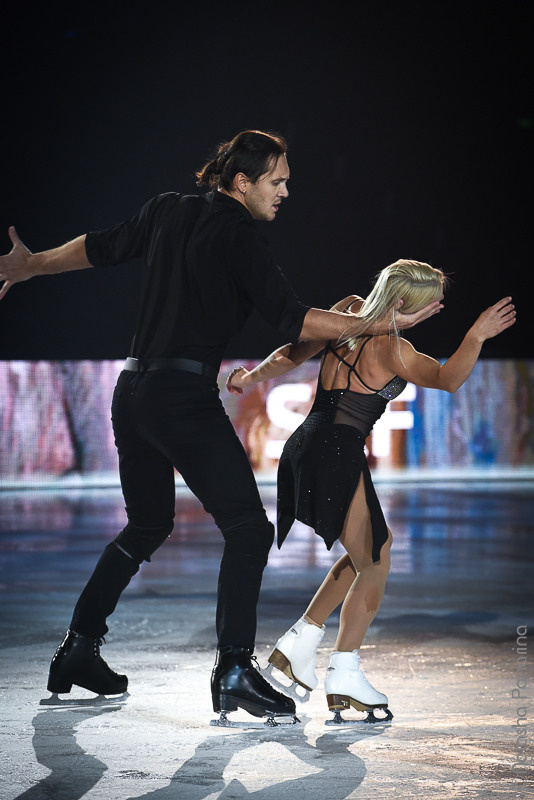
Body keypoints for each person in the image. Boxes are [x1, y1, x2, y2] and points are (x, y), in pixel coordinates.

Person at [0, 132, 441, 725]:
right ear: (242, 182)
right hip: (181, 397)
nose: (285, 192)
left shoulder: (166, 209)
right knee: (249, 530)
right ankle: (233, 669)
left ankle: (79, 647)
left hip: (132, 392)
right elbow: (294, 320)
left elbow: (97, 248)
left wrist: (30, 265)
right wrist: (380, 321)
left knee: (148, 524)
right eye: (277, 181)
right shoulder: (240, 236)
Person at [226, 259, 515, 721]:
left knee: (370, 549)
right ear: (404, 303)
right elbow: (448, 379)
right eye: (427, 305)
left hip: (307, 443)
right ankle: (344, 673)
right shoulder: (394, 349)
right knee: (376, 559)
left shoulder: (347, 313)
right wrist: (476, 335)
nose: (432, 312)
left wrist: (248, 377)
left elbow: (292, 353)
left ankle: (299, 643)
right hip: (336, 451)